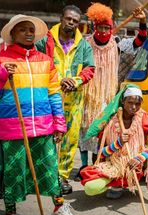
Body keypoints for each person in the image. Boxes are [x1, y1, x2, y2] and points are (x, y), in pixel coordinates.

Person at [0, 14, 77, 215]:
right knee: (13, 173)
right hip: (13, 129)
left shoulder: (45, 60)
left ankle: (58, 207)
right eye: (23, 29)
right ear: (13, 34)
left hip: (43, 127)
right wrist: (2, 73)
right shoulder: (0, 60)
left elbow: (54, 93)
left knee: (49, 169)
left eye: (31, 30)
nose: (28, 33)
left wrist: (59, 123)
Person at [79, 85, 148, 213]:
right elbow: (102, 153)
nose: (134, 107)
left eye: (137, 104)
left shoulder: (143, 117)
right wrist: (118, 143)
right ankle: (118, 184)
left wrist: (141, 157)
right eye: (130, 103)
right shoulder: (110, 121)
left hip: (139, 162)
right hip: (116, 165)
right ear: (123, 101)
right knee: (90, 188)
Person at [77, 3, 148, 185]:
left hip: (107, 95)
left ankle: (97, 161)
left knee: (100, 128)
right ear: (95, 27)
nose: (103, 31)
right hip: (88, 93)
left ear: (111, 27)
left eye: (107, 27)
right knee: (84, 127)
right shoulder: (85, 43)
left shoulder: (117, 43)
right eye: (100, 27)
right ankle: (83, 166)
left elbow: (139, 40)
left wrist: (142, 22)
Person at [36, 5, 95, 195]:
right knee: (46, 137)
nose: (71, 23)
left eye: (75, 21)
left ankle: (61, 177)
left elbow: (89, 69)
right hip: (48, 97)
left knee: (69, 140)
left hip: (74, 100)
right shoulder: (45, 40)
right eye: (68, 18)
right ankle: (44, 175)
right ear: (61, 18)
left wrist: (76, 81)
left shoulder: (84, 45)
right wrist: (55, 81)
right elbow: (36, 62)